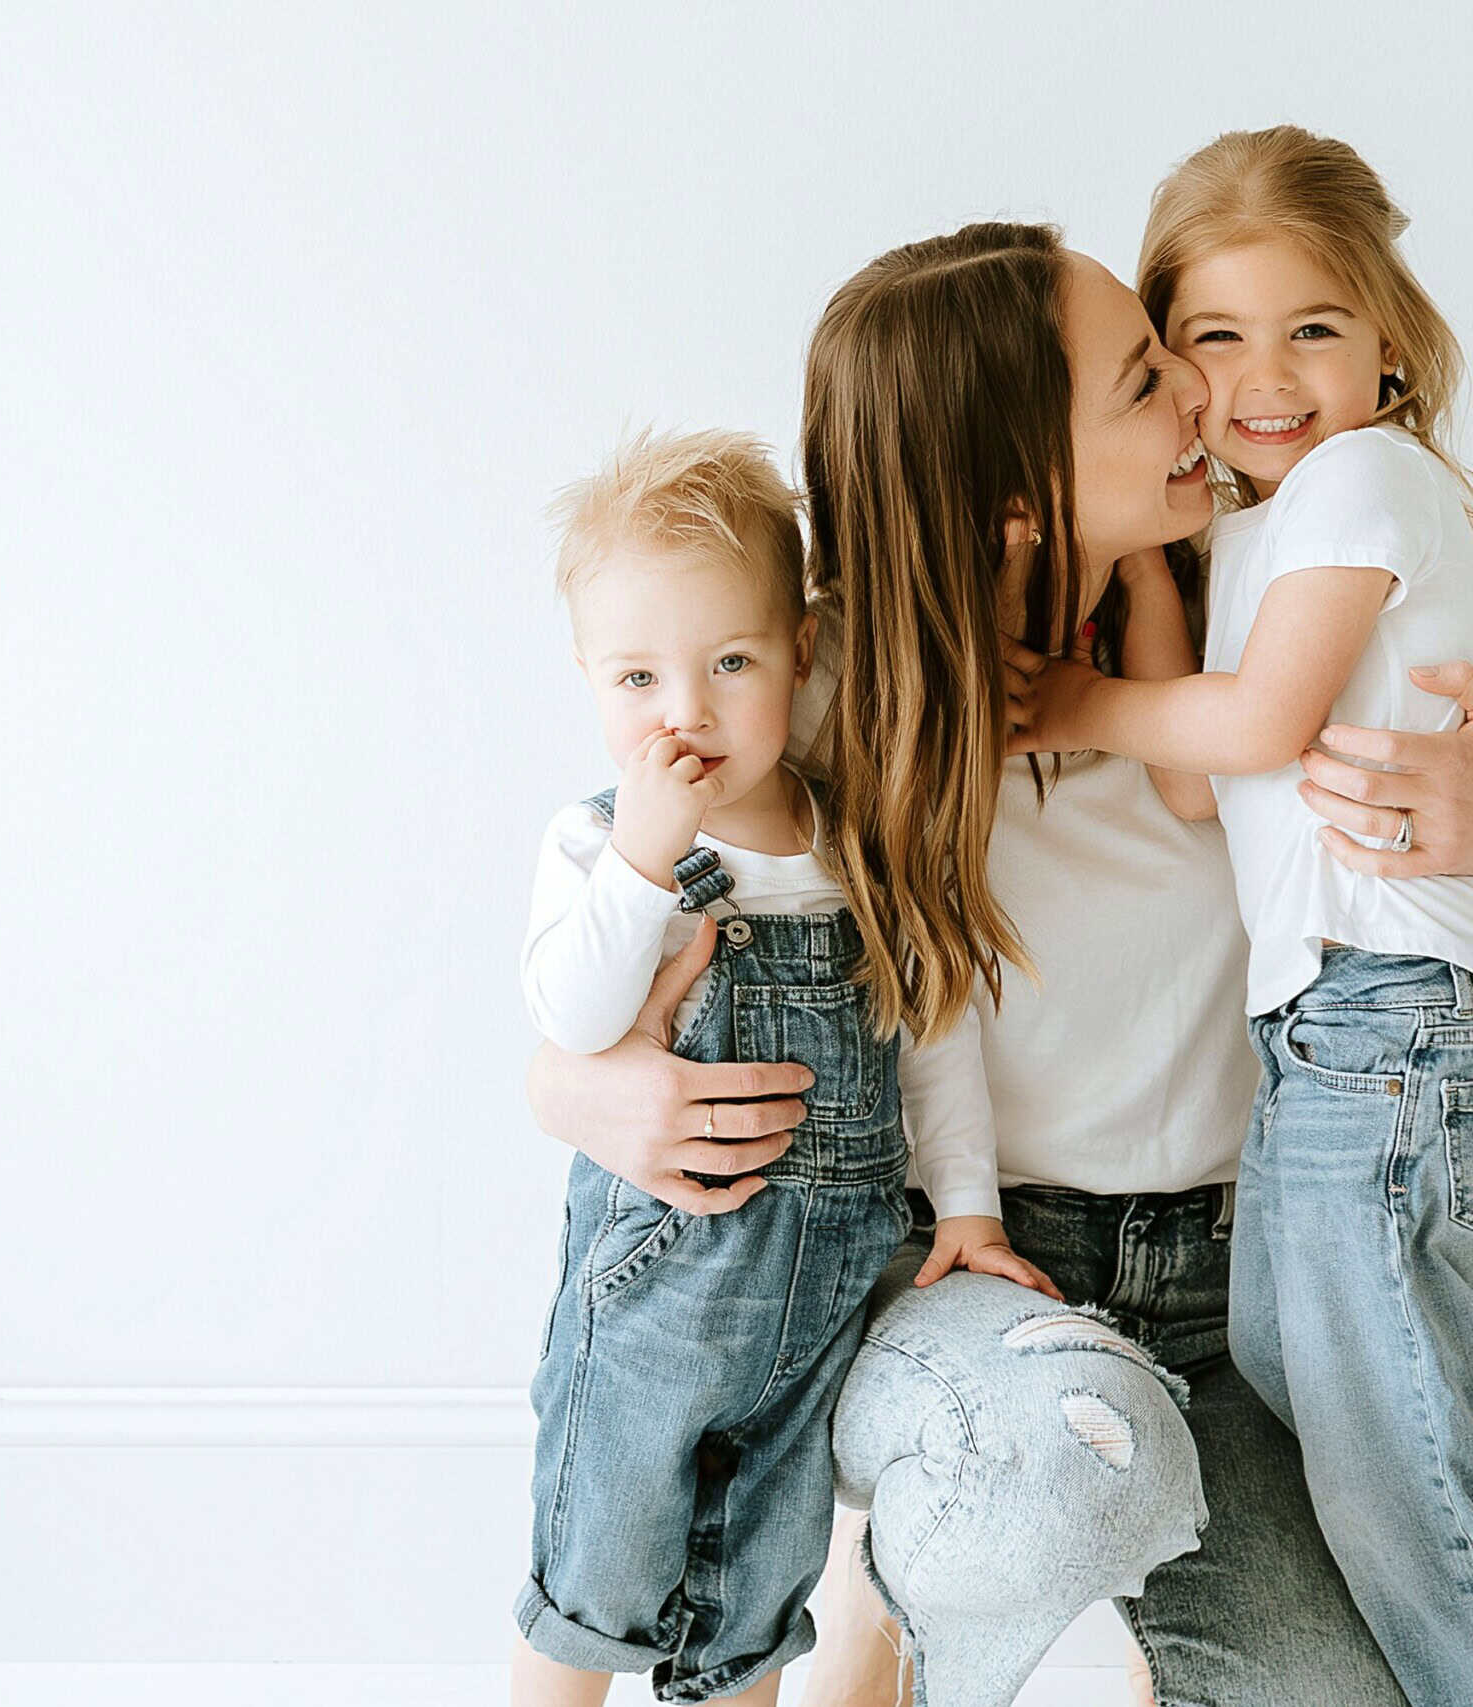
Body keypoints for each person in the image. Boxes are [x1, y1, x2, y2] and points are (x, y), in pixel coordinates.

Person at [529, 225, 1473, 1707]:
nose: (1194, 393)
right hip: (961, 1273)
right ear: (1022, 495)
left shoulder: (1266, 627)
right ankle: (881, 1612)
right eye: (1141, 376)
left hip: (1230, 1283)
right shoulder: (828, 690)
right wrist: (567, 1084)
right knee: (1058, 1463)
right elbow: (617, 884)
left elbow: (1459, 968)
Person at [1014, 126, 1473, 1706]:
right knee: (1303, 1369)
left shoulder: (1365, 476)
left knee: (1388, 1424)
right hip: (1333, 1024)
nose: (1263, 373)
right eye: (1213, 337)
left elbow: (1260, 723)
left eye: (1313, 329)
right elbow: (1207, 792)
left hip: (1389, 1008)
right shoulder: (1265, 536)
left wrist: (1070, 695)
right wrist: (1150, 585)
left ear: (1390, 341)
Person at [512, 429, 1053, 1707]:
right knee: (594, 1576)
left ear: (800, 654)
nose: (684, 713)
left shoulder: (856, 845)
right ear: (589, 679)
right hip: (655, 1300)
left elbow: (936, 1037)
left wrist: (966, 1204)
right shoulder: (598, 843)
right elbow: (572, 1014)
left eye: (730, 663)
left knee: (757, 1598)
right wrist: (648, 856)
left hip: (818, 1311)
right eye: (637, 677)